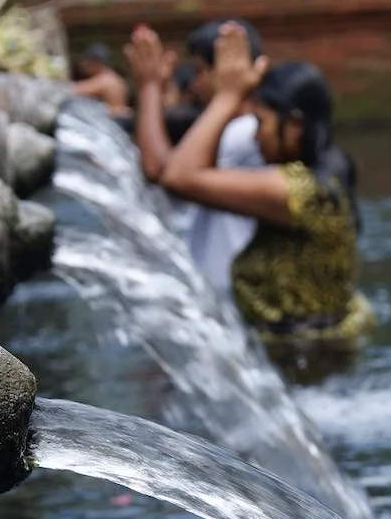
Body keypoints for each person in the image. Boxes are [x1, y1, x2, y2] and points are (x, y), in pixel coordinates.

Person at [160, 22, 374, 344]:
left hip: (303, 359)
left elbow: (178, 177)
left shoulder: (295, 191)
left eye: (261, 123)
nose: (255, 134)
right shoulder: (319, 174)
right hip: (305, 352)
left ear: (296, 126)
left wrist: (228, 96)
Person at [124, 20, 264, 296]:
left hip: (234, 298)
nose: (195, 83)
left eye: (200, 71)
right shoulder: (228, 130)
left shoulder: (246, 133)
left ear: (226, 72)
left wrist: (149, 87)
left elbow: (161, 170)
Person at [71, 42, 131, 117]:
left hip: (114, 122)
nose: (82, 65)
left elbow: (72, 90)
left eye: (85, 61)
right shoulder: (111, 76)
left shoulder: (106, 80)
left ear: (94, 63)